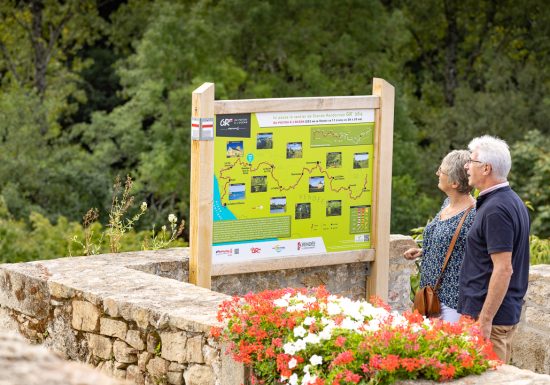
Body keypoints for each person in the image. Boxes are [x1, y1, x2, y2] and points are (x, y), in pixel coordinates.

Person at [457, 135, 530, 363]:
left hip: (489, 319)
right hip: (494, 314)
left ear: (486, 168)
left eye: (472, 161)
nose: (467, 166)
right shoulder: (509, 200)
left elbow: (503, 268)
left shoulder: (497, 209)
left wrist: (485, 320)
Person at [404, 150, 476, 323]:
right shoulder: (447, 204)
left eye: (441, 171)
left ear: (455, 183)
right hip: (430, 296)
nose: (437, 173)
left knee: (445, 348)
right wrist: (423, 251)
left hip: (451, 302)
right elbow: (451, 243)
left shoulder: (474, 215)